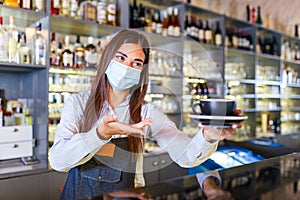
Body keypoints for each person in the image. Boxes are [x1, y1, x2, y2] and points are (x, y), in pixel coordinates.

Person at [48, 29, 242, 199]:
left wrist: (208, 136)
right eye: (121, 58)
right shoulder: (78, 104)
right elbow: (58, 161)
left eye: (137, 62)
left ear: (142, 72)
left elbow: (185, 156)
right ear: (107, 58)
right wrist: (99, 134)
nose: (127, 67)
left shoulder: (146, 112)